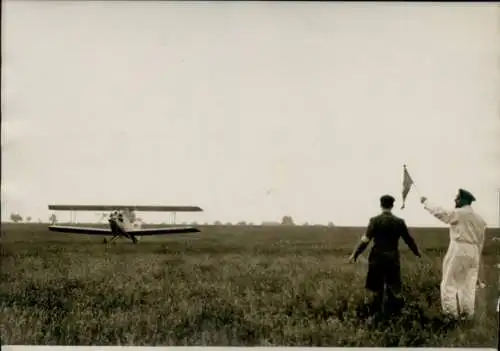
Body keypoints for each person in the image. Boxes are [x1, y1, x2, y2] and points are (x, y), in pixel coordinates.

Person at [349, 194, 421, 317]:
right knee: (392, 287)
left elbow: (365, 240)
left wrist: (355, 254)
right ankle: (392, 314)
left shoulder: (374, 221)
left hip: (377, 258)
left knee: (377, 288)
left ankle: (376, 315)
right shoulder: (399, 222)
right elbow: (409, 240)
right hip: (392, 258)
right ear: (392, 206)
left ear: (381, 205)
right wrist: (417, 252)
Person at [420, 188, 487, 319]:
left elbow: (441, 213)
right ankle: (467, 315)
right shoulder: (480, 220)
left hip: (459, 249)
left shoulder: (459, 213)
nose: (455, 200)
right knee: (468, 285)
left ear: (462, 200)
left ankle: (451, 316)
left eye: (457, 198)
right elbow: (481, 242)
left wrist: (426, 203)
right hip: (474, 252)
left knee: (449, 284)